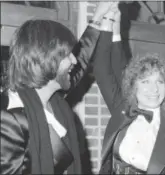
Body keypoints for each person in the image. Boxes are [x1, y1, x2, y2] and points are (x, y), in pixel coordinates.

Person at [91, 2, 165, 174]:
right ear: (133, 86)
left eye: (159, 82)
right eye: (145, 81)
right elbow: (103, 69)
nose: (153, 89)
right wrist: (110, 21)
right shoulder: (122, 110)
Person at [0, 19, 100, 174]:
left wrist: (98, 19)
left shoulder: (55, 102)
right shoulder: (9, 119)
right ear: (46, 59)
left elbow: (82, 60)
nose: (74, 60)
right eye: (68, 55)